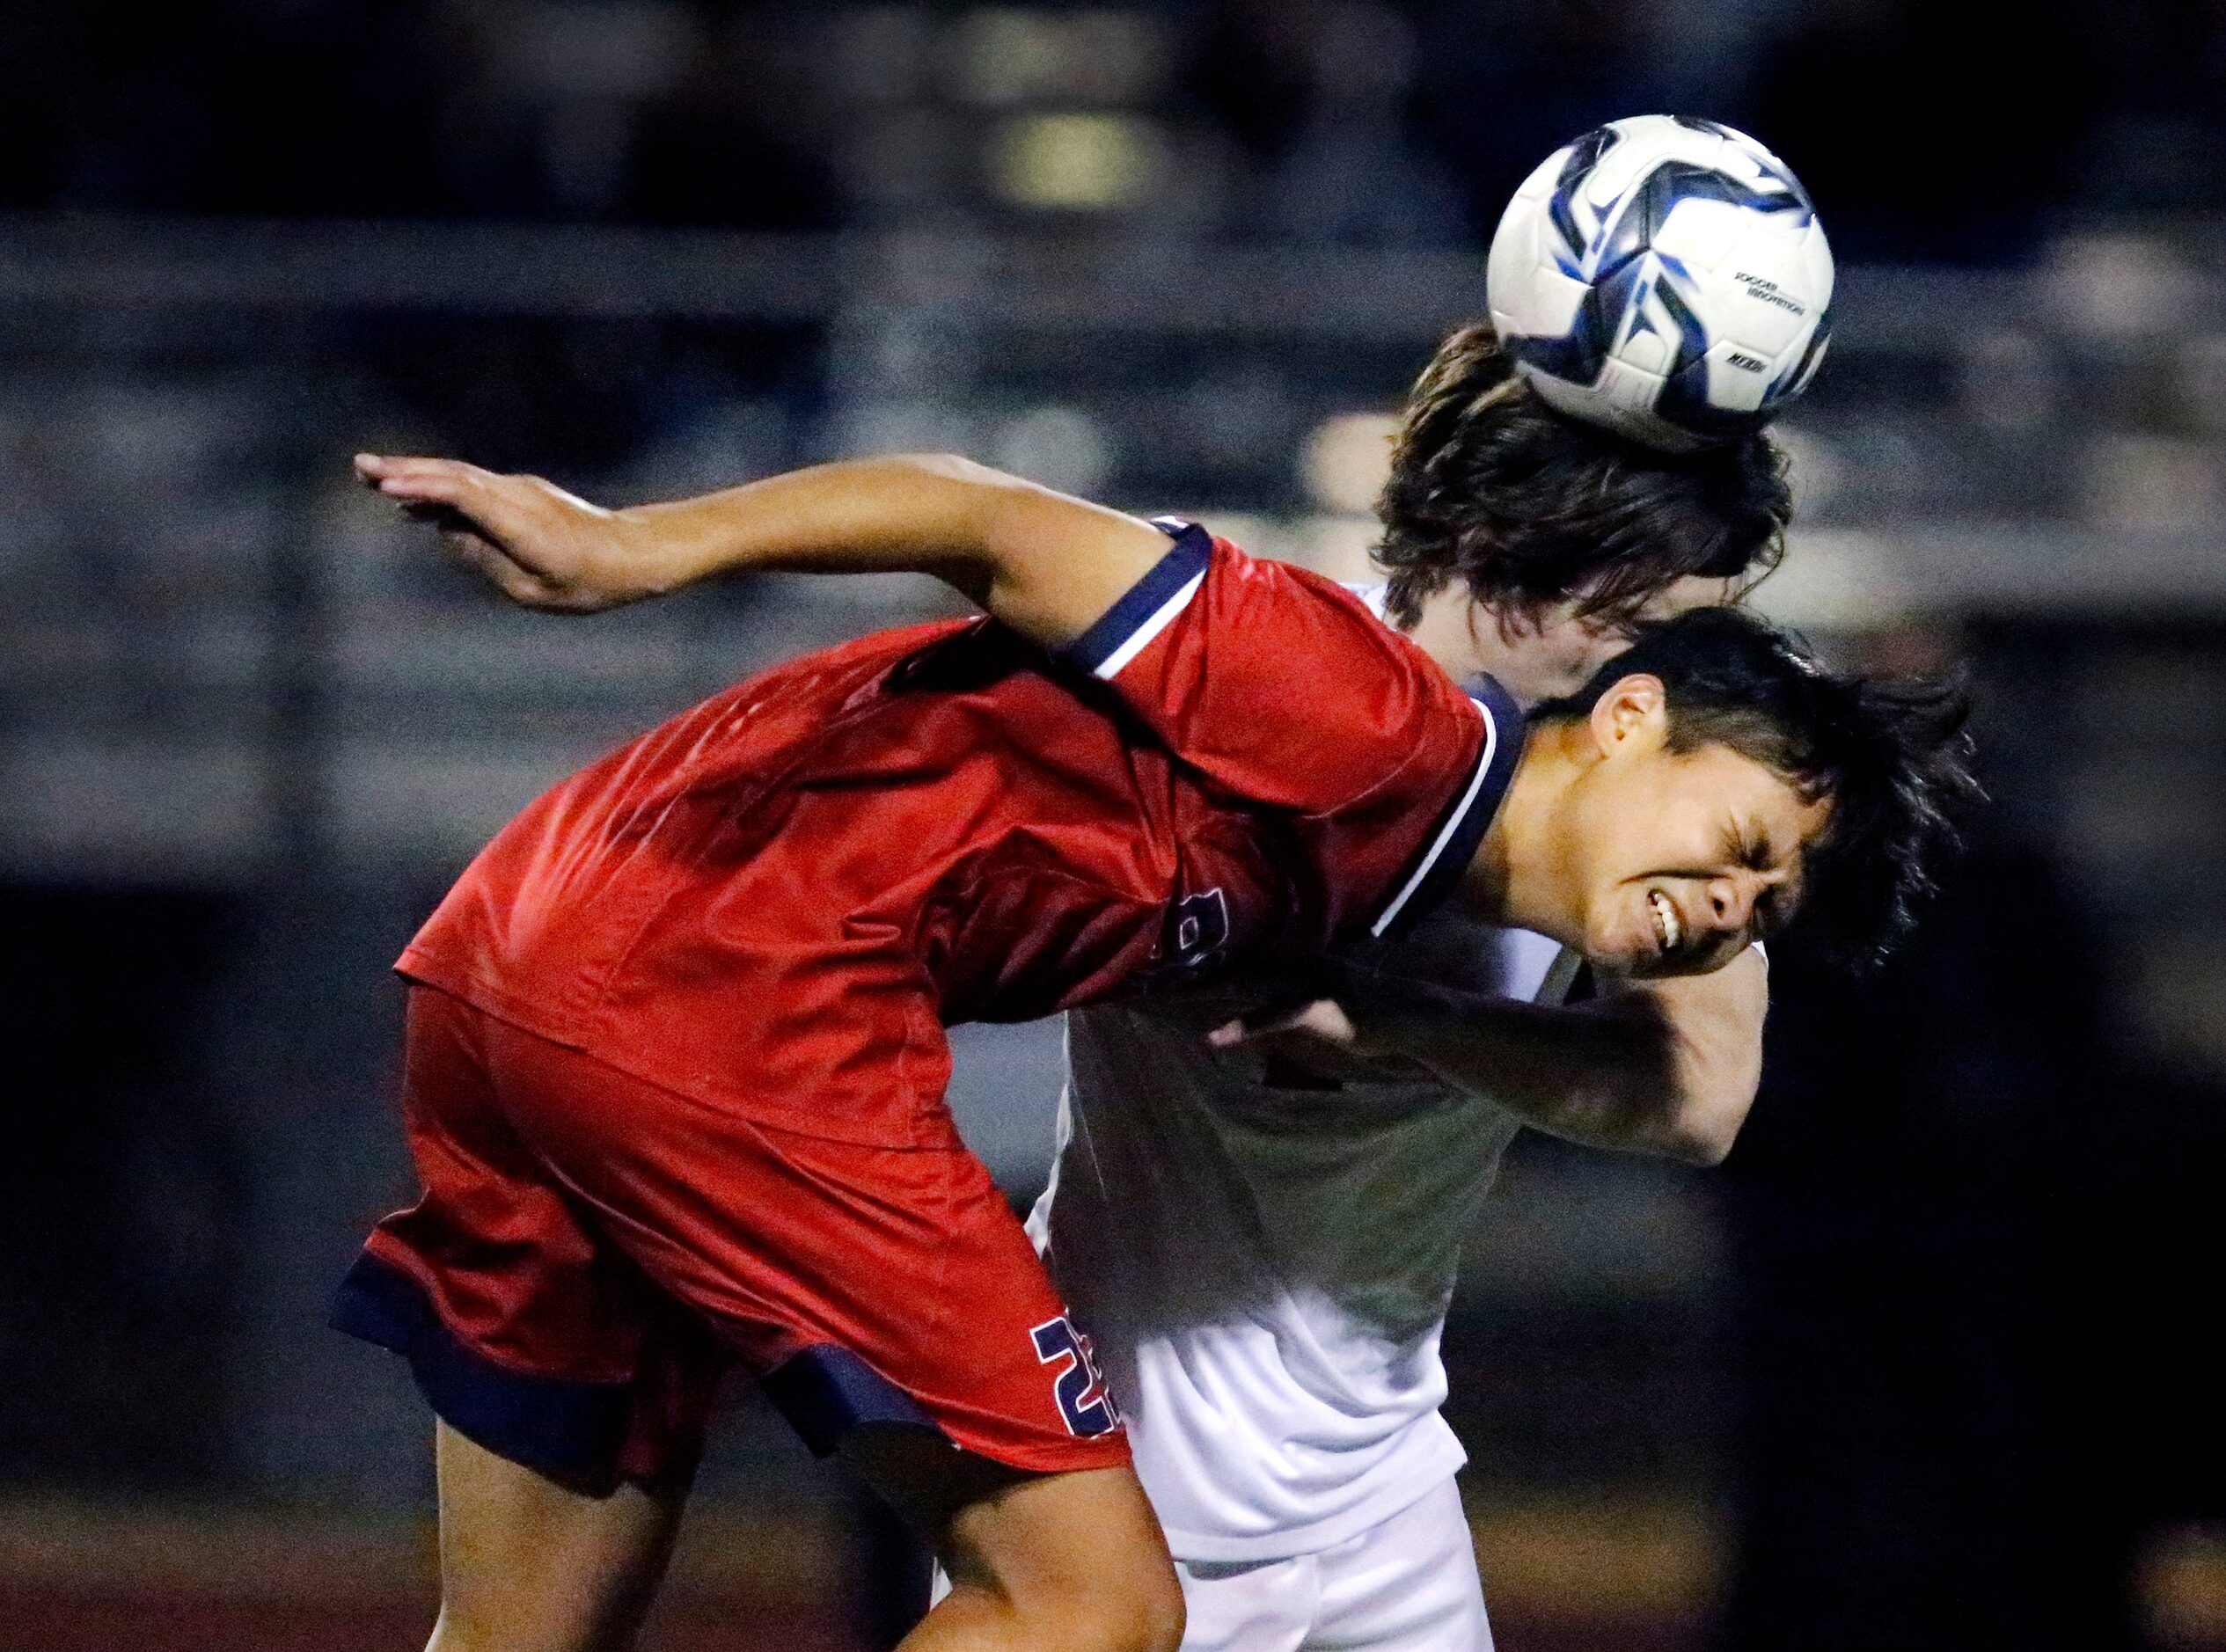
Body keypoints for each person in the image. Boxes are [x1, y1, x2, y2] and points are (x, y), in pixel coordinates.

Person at [340, 433, 1969, 1652]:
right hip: (729, 993)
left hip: (518, 943)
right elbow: (988, 514)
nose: (1730, 899)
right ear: (1623, 709)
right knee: (1093, 1604)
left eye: (1767, 901)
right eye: (1742, 835)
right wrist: (632, 547)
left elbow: (1690, 1088)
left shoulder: (1398, 879)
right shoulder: (1370, 720)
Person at [1028, 329, 1807, 1652]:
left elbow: (1699, 1095)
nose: (1680, 677)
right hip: (1125, 1491)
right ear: (1531, 581)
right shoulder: (1253, 683)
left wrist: (1401, 1023)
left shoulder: (1616, 778)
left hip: (1383, 1500)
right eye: (1659, 622)